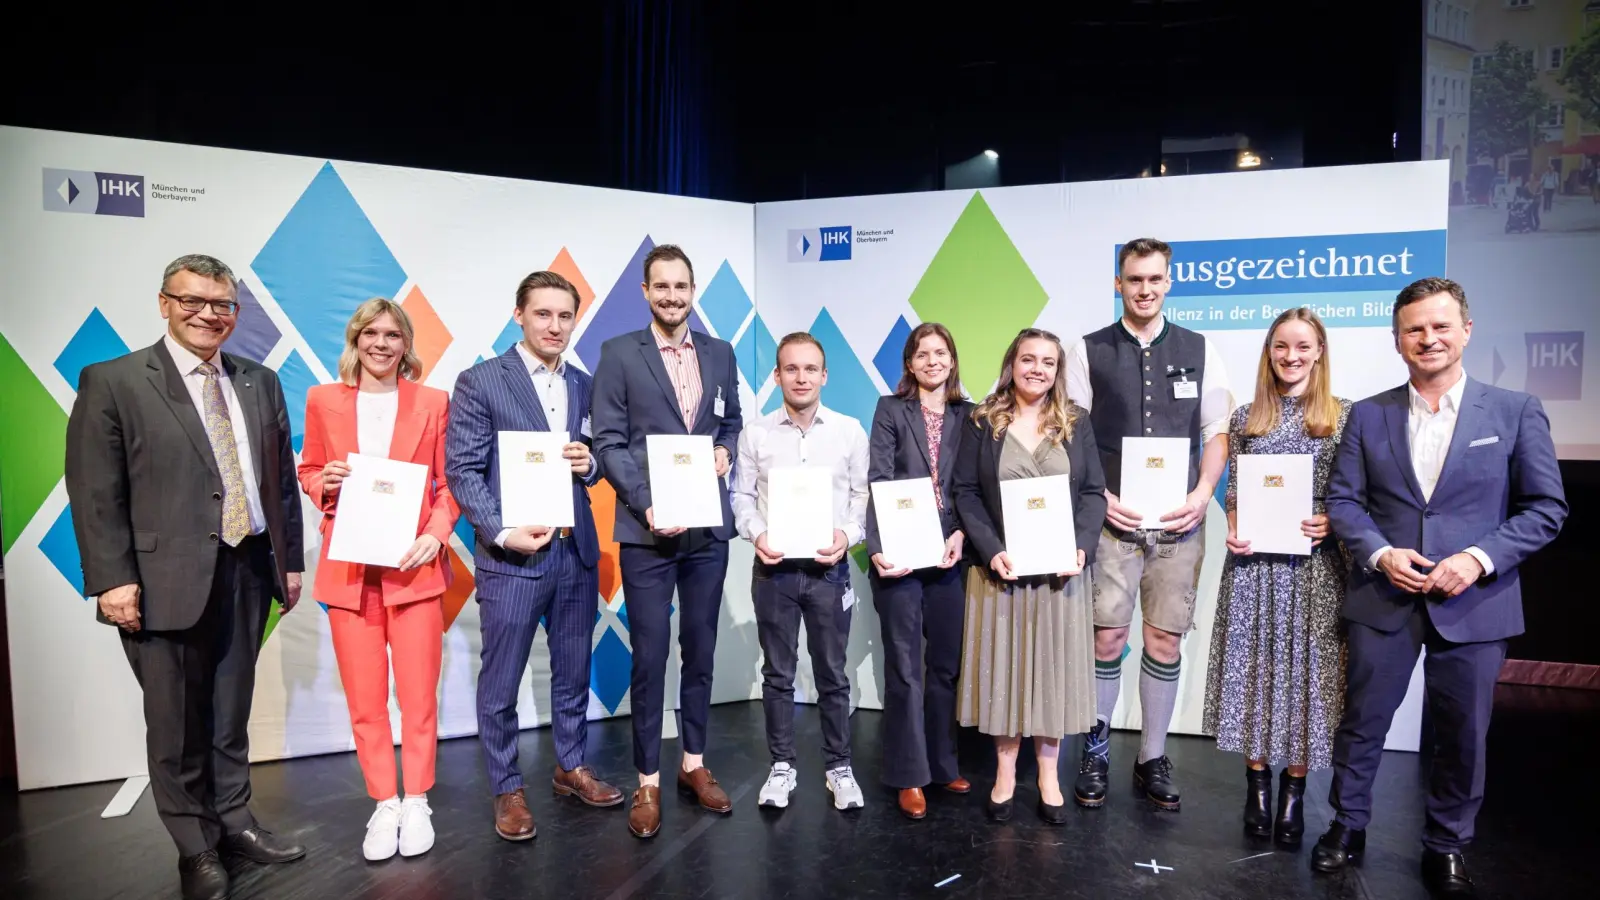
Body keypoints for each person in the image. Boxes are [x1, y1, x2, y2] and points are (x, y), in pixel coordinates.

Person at [64, 254, 306, 900]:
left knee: (230, 715)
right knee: (174, 726)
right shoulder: (114, 380)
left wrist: (292, 562)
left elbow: (279, 483)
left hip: (250, 568)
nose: (209, 314)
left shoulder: (260, 382)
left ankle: (235, 822)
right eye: (193, 300)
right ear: (164, 302)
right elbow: (95, 491)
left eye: (223, 304)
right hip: (157, 579)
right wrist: (112, 580)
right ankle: (195, 848)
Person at [1316, 277, 1567, 897]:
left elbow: (1544, 508)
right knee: (1362, 724)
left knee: (1461, 735)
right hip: (1385, 598)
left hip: (1475, 603)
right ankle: (1348, 826)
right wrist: (1378, 553)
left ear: (1466, 331)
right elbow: (1344, 501)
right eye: (1414, 329)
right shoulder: (1367, 415)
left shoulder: (1514, 411)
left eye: (1439, 326)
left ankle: (1447, 843)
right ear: (1397, 340)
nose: (1428, 338)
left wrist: (1479, 559)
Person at [446, 271, 623, 842]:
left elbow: (597, 454)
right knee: (501, 680)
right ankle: (506, 788)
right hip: (514, 558)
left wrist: (588, 463)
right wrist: (500, 532)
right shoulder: (480, 381)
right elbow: (463, 471)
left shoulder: (585, 383)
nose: (555, 326)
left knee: (573, 672)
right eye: (543, 314)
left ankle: (570, 766)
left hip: (575, 553)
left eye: (565, 316)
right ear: (518, 315)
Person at [1065, 237, 1233, 811]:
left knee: (1163, 636)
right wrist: (1099, 497)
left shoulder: (1201, 347)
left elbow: (1217, 434)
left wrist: (1205, 492)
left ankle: (1152, 756)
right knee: (1106, 635)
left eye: (1155, 279)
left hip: (1180, 522)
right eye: (1134, 279)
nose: (1144, 289)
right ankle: (1095, 746)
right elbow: (1074, 434)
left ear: (1169, 282)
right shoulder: (1086, 350)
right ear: (1119, 283)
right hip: (1112, 520)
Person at [297, 298, 459, 861]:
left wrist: (437, 535)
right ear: (355, 339)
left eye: (394, 334)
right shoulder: (323, 400)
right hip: (350, 573)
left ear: (407, 343)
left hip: (414, 570)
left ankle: (416, 799)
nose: (382, 343)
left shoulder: (433, 402)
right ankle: (383, 801)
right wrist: (327, 481)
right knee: (366, 701)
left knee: (418, 699)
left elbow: (449, 483)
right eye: (372, 333)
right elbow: (308, 469)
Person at [591, 244, 744, 838]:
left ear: (693, 289)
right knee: (651, 656)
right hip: (646, 529)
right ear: (646, 291)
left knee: (700, 649)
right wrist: (645, 503)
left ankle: (694, 765)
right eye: (662, 287)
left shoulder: (721, 352)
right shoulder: (617, 353)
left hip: (705, 529)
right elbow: (607, 441)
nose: (673, 296)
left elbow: (727, 421)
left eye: (682, 287)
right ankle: (647, 780)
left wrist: (726, 450)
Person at [1203, 308, 1351, 849]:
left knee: (1307, 677)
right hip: (1254, 570)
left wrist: (1333, 519)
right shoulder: (1246, 417)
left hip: (1314, 568)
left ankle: (1294, 791)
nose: (1291, 356)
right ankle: (1257, 787)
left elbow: (1354, 493)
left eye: (1303, 346)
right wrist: (1235, 518)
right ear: (1269, 352)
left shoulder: (1343, 415)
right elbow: (1235, 490)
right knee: (1256, 673)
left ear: (1320, 352)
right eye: (1281, 346)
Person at [951, 328, 1107, 825]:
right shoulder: (983, 421)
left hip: (1061, 576)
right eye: (1028, 359)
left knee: (1052, 673)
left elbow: (1095, 494)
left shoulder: (1076, 422)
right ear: (1011, 363)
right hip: (1003, 574)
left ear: (1058, 370)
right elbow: (966, 493)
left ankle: (1047, 776)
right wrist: (991, 551)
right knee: (1005, 672)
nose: (1037, 369)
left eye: (1047, 361)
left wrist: (1081, 548)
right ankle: (1002, 775)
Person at [731, 332, 870, 812]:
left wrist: (847, 537)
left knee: (833, 674)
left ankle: (839, 767)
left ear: (825, 376)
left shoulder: (850, 431)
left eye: (811, 368)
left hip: (829, 572)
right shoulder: (756, 434)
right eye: (791, 368)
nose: (802, 377)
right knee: (778, 675)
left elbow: (862, 498)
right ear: (777, 376)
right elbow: (741, 497)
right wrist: (756, 533)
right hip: (774, 573)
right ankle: (782, 766)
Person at [865, 323, 976, 819]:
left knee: (945, 667)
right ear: (909, 364)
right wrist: (880, 548)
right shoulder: (891, 410)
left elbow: (972, 488)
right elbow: (879, 478)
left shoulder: (970, 415)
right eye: (922, 354)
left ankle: (941, 762)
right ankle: (908, 774)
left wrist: (962, 536)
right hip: (901, 554)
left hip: (950, 553)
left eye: (941, 352)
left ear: (953, 361)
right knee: (905, 667)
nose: (932, 361)